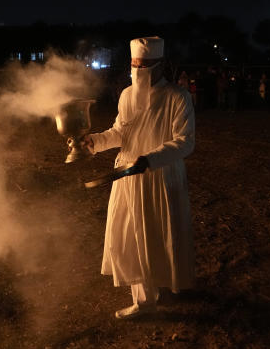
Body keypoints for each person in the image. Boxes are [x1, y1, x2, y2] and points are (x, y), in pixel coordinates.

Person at [81, 36, 195, 319]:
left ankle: (161, 288)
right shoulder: (127, 95)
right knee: (132, 238)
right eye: (133, 65)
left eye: (142, 66)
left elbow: (185, 141)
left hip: (161, 178)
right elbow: (120, 133)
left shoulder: (177, 97)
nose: (137, 71)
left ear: (158, 67)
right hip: (129, 177)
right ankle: (144, 301)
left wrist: (152, 159)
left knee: (159, 235)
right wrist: (93, 142)